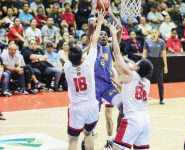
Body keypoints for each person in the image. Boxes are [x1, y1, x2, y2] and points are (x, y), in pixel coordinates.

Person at [64, 11, 105, 150]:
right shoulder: (88, 63)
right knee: (88, 135)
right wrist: (99, 22)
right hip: (92, 105)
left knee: (72, 140)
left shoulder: (67, 66)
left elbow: (77, 55)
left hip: (76, 108)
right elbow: (94, 41)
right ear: (81, 56)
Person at [109, 23, 153, 149]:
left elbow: (117, 53)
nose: (134, 63)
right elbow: (130, 90)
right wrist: (115, 81)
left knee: (116, 148)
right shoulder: (146, 83)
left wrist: (113, 33)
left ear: (137, 67)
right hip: (145, 120)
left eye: (136, 62)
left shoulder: (131, 75)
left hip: (132, 120)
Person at [87, 2, 123, 149]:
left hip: (108, 86)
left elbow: (119, 27)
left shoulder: (110, 47)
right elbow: (90, 23)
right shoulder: (92, 46)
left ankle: (116, 138)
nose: (102, 35)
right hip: (94, 87)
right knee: (92, 119)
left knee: (124, 107)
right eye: (100, 33)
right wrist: (94, 9)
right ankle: (89, 134)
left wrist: (109, 12)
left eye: (104, 34)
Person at [143, 28, 168, 104]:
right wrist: (143, 63)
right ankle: (144, 98)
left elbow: (164, 54)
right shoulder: (147, 41)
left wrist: (165, 66)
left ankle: (161, 99)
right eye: (152, 32)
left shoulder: (161, 42)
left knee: (160, 80)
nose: (153, 34)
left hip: (158, 61)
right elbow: (144, 54)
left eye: (155, 32)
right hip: (150, 60)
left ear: (158, 33)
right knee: (147, 81)